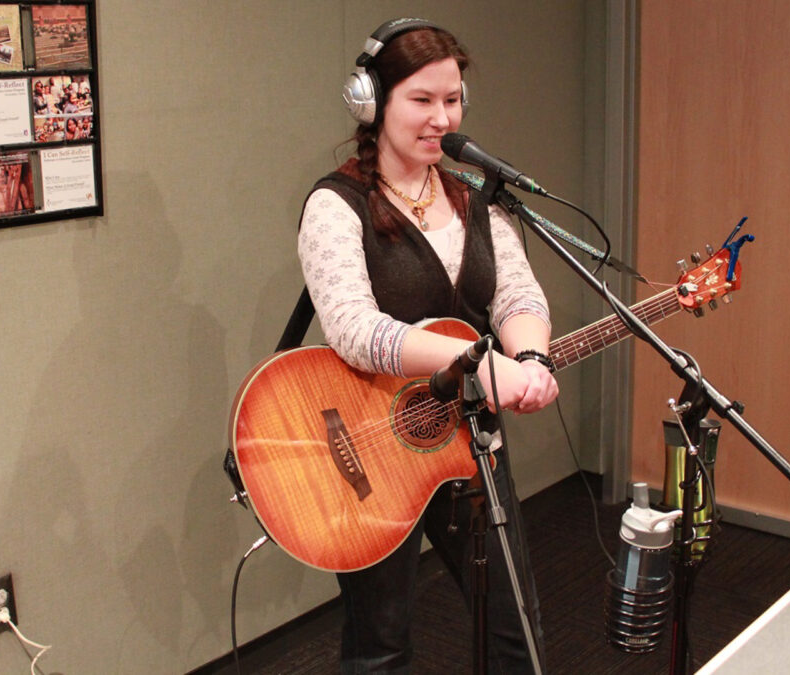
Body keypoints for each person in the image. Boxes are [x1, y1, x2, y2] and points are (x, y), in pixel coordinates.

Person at [297, 18, 558, 673]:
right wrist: (475, 360)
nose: (442, 117)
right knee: (380, 647)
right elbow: (355, 330)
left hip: (470, 447)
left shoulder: (479, 205)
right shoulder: (336, 207)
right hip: (369, 450)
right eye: (422, 100)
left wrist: (529, 360)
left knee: (515, 635)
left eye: (453, 99)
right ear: (371, 101)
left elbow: (518, 297)